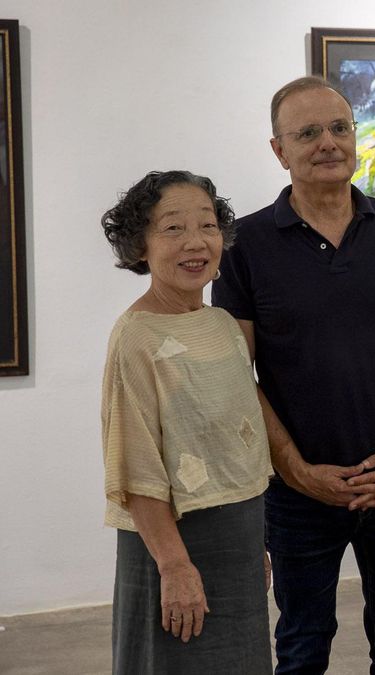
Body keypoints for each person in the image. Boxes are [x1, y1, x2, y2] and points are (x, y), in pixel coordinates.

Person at [212, 76, 375, 674]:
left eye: (339, 128)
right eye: (308, 133)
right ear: (279, 150)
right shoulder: (243, 244)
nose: (327, 143)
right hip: (297, 494)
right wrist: (295, 469)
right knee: (302, 647)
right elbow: (237, 373)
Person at [100, 170, 273, 673]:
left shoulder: (222, 325)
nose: (195, 242)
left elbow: (237, 442)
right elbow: (135, 466)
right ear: (140, 244)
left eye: (207, 226)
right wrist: (174, 567)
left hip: (237, 536)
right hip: (173, 543)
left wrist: (254, 543)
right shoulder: (136, 336)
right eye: (173, 228)